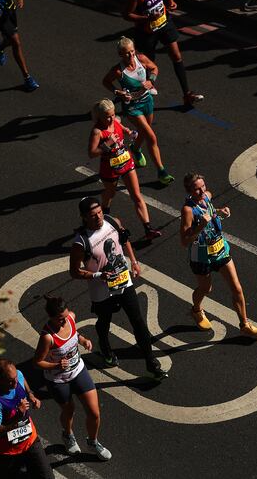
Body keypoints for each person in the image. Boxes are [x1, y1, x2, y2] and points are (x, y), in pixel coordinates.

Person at [69, 197, 168, 380]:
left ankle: (151, 362)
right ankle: (105, 346)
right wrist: (98, 275)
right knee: (104, 322)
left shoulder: (112, 221)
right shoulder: (81, 242)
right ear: (84, 217)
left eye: (99, 212)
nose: (98, 217)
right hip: (102, 291)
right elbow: (74, 272)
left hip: (124, 281)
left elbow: (124, 240)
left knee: (138, 322)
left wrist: (134, 262)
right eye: (93, 215)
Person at [179, 173, 257, 338]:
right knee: (206, 289)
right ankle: (196, 309)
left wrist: (220, 211)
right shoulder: (187, 210)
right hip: (201, 256)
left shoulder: (207, 197)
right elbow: (184, 241)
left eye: (203, 186)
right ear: (189, 191)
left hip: (220, 250)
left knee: (237, 288)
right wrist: (199, 227)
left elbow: (210, 212)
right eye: (196, 189)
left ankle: (244, 324)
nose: (202, 191)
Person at [32, 296, 112, 461]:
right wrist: (56, 366)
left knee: (94, 412)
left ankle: (93, 442)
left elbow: (75, 334)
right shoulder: (47, 337)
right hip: (58, 379)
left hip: (78, 371)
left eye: (65, 317)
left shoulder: (71, 318)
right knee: (69, 411)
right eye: (60, 320)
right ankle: (68, 435)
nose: (64, 322)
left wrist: (83, 340)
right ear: (51, 317)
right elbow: (37, 362)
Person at [124, 0, 204, 107]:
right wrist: (147, 18)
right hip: (146, 32)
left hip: (165, 24)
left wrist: (169, 0)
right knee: (148, 65)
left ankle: (187, 95)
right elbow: (127, 14)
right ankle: (136, 96)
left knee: (177, 56)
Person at [102, 37, 174, 186]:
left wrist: (151, 80)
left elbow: (154, 68)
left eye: (132, 51)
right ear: (120, 55)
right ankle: (162, 172)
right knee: (151, 136)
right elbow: (105, 82)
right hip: (133, 107)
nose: (130, 56)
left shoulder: (141, 59)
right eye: (126, 53)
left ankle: (135, 148)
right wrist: (117, 92)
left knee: (144, 131)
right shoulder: (118, 70)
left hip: (147, 101)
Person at [87, 98, 162, 239]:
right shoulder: (97, 131)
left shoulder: (116, 122)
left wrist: (129, 132)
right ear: (100, 117)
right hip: (109, 168)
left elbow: (122, 129)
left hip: (126, 161)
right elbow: (91, 153)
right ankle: (105, 210)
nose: (111, 119)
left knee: (137, 196)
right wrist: (107, 144)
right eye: (107, 117)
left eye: (113, 115)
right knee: (110, 194)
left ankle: (148, 228)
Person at [0, 358, 54, 479]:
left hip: (30, 440)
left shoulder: (18, 375)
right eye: (10, 381)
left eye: (15, 378)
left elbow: (23, 381)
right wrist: (18, 415)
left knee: (47, 476)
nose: (15, 383)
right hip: (9, 451)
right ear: (0, 380)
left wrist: (31, 395)